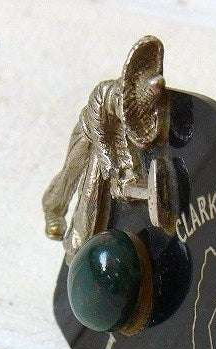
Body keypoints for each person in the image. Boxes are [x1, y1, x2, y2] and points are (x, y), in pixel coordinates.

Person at [42, 36, 169, 260]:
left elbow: (128, 144)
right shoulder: (101, 94)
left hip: (110, 146)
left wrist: (128, 176)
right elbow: (101, 137)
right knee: (69, 173)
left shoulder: (138, 117)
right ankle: (53, 209)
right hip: (88, 135)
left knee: (91, 193)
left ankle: (78, 244)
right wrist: (112, 167)